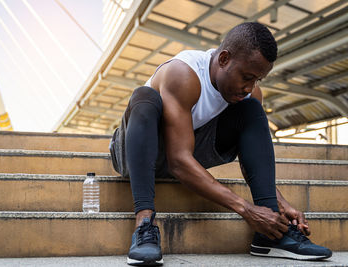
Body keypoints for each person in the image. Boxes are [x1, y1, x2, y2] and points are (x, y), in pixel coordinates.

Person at [109, 22, 332, 266]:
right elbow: (179, 162)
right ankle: (144, 225)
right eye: (246, 77)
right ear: (224, 58)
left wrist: (278, 205)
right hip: (136, 155)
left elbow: (246, 159)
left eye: (257, 79)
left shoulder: (249, 93)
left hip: (190, 150)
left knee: (251, 108)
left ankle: (272, 234)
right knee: (145, 97)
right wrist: (247, 210)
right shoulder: (184, 74)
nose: (249, 87)